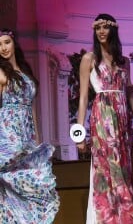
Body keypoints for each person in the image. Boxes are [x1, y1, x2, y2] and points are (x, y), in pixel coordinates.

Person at [76, 13, 133, 224]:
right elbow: (82, 97)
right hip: (102, 119)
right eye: (97, 27)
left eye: (105, 27)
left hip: (122, 121)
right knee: (107, 169)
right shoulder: (89, 59)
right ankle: (110, 218)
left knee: (124, 169)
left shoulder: (123, 61)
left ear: (113, 30)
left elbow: (131, 97)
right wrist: (79, 133)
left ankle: (124, 216)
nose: (101, 31)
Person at [0, 28, 59, 223]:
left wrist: (37, 139)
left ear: (13, 43)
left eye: (6, 42)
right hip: (9, 133)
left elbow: (32, 108)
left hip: (27, 135)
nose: (3, 48)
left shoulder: (25, 71)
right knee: (11, 181)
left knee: (31, 178)